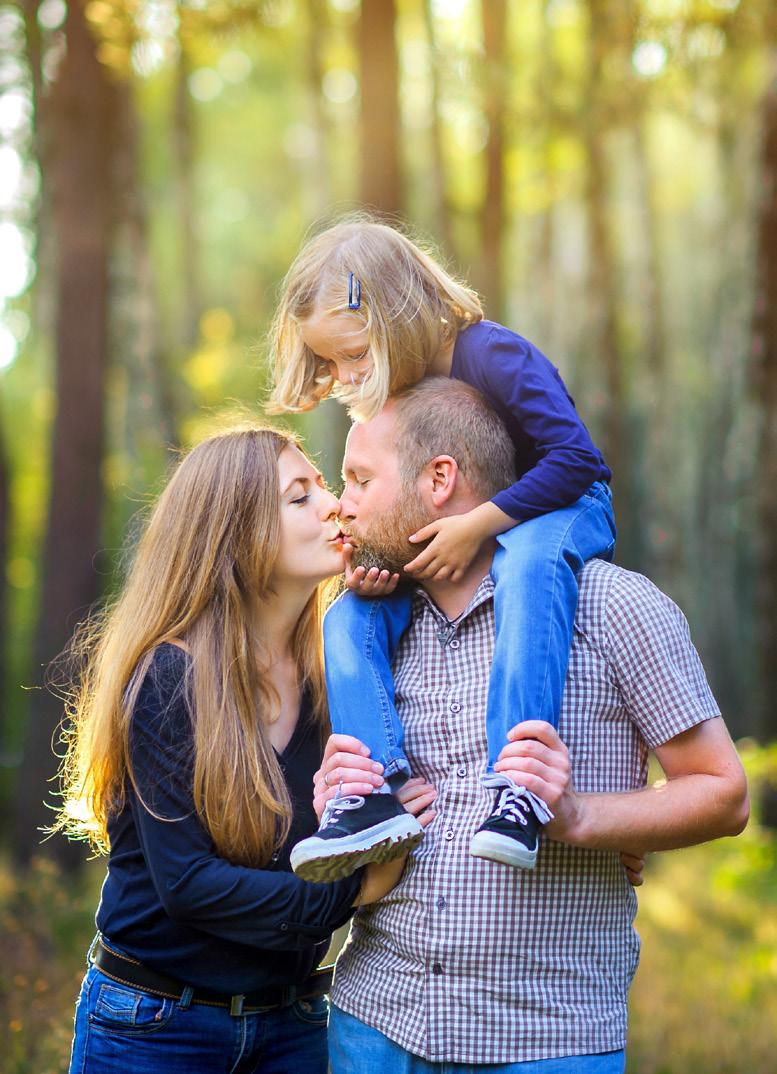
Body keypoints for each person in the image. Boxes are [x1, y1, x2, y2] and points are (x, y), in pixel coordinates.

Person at [313, 379, 748, 1072]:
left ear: (439, 480)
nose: (342, 503)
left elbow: (722, 794)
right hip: (372, 1024)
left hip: (543, 1042)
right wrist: (338, 792)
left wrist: (575, 815)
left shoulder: (613, 608)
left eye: (359, 478)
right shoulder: (368, 631)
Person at [53, 425, 435, 1074]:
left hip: (294, 1024)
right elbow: (191, 886)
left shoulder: (333, 678)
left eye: (324, 487)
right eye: (299, 496)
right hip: (153, 1029)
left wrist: (599, 821)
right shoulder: (168, 677)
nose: (334, 504)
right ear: (235, 533)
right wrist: (350, 894)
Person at [269, 216, 616, 879]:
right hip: (479, 530)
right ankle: (370, 792)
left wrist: (479, 523)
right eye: (331, 361)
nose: (344, 375)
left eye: (353, 354)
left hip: (564, 509)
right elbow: (406, 504)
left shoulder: (493, 354)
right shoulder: (397, 391)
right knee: (346, 616)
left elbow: (577, 459)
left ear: (394, 313)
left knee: (529, 564)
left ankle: (519, 784)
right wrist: (374, 571)